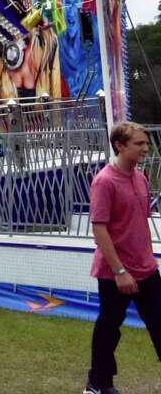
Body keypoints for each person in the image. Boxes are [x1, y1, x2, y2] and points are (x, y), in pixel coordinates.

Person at [84, 122, 161, 394]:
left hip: (147, 269)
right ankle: (98, 383)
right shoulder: (104, 181)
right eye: (139, 143)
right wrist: (119, 272)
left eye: (145, 143)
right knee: (109, 328)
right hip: (114, 273)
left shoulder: (140, 178)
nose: (145, 147)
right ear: (120, 145)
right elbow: (99, 228)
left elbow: (136, 224)